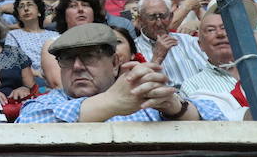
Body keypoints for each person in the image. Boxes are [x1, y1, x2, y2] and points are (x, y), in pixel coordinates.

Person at [17, 23, 224, 123]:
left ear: (115, 62)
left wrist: (176, 108)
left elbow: (219, 123)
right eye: (68, 58)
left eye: (89, 56)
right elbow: (28, 125)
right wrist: (113, 102)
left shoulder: (143, 96)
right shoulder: (45, 105)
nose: (77, 66)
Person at [134, 0, 208, 88]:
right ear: (140, 20)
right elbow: (139, 87)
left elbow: (212, 71)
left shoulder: (188, 41)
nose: (159, 23)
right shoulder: (134, 49)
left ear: (171, 16)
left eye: (163, 16)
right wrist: (157, 58)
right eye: (152, 17)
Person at [6, 0, 58, 78]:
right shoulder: (13, 35)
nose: (26, 9)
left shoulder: (54, 35)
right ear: (18, 16)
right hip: (32, 80)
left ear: (39, 12)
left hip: (56, 76)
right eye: (21, 7)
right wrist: (37, 74)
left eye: (29, 4)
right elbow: (13, 62)